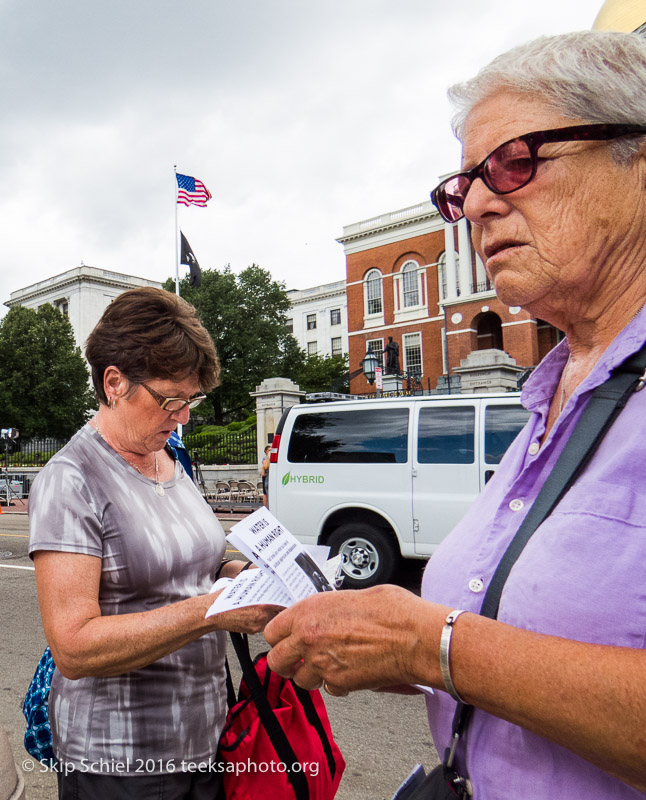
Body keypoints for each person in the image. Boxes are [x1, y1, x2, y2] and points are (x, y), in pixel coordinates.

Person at [265, 30, 646, 798]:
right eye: (461, 185)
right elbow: (522, 642)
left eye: (515, 161)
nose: (474, 202)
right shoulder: (552, 398)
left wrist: (428, 647)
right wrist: (373, 640)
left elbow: (454, 647)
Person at [29, 287, 279, 800]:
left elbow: (191, 566)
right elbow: (73, 647)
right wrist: (214, 611)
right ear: (115, 382)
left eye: (191, 400)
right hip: (120, 762)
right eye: (171, 399)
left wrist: (235, 575)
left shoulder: (170, 458)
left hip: (207, 737)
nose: (183, 415)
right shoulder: (71, 479)